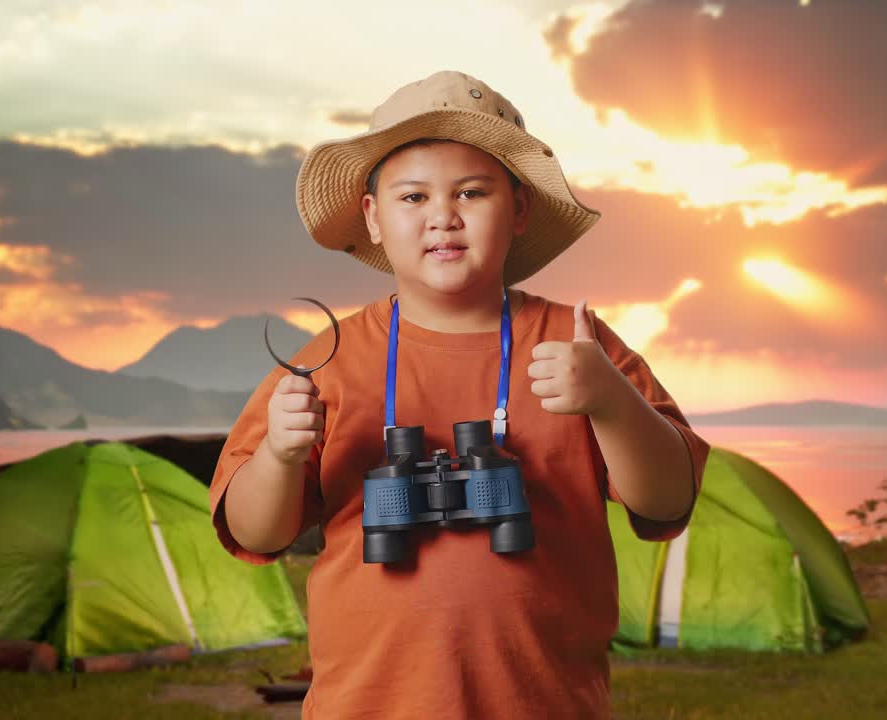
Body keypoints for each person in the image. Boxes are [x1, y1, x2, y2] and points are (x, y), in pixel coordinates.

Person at [210, 70, 711, 719]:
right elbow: (257, 533)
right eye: (413, 197)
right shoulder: (323, 366)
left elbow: (668, 500)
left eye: (472, 192)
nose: (443, 216)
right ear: (373, 217)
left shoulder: (579, 346)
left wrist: (611, 401)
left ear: (520, 208)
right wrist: (278, 455)